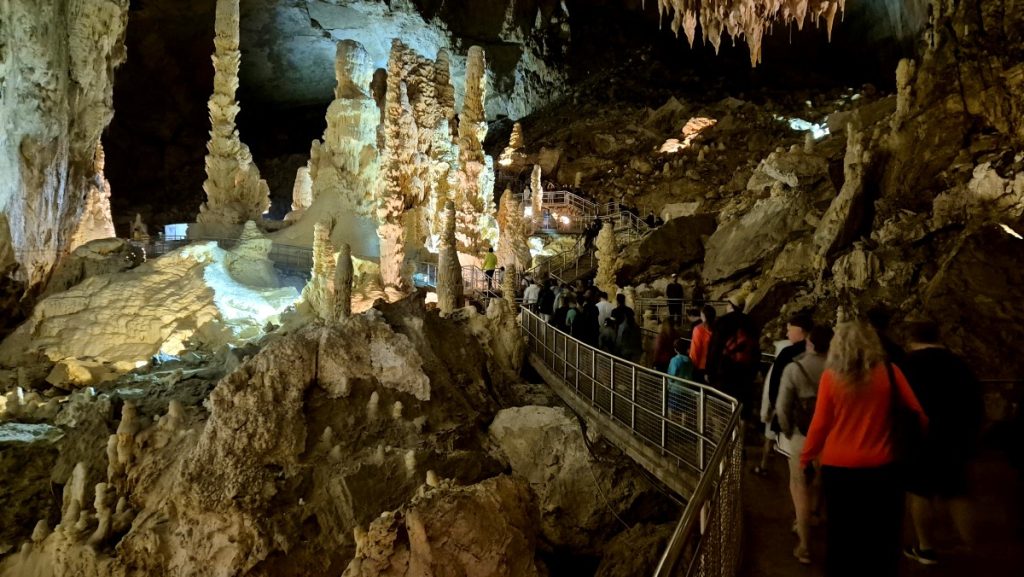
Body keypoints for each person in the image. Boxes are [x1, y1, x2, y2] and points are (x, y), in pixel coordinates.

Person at [800, 321, 928, 577]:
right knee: (882, 533)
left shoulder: (831, 377)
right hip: (884, 467)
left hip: (839, 468)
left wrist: (806, 456)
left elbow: (820, 424)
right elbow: (919, 416)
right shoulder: (890, 372)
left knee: (842, 533)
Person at [900, 321, 984, 565]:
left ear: (911, 338)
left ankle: (925, 547)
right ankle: (971, 546)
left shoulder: (907, 366)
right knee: (957, 491)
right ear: (938, 336)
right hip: (956, 437)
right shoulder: (959, 364)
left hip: (920, 438)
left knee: (920, 491)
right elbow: (975, 404)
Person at [776, 325, 833, 565]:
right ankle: (818, 515)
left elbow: (782, 407)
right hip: (831, 437)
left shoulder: (794, 368)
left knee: (799, 488)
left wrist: (788, 431)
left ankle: (805, 544)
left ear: (809, 343)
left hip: (802, 435)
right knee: (822, 483)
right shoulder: (838, 369)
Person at [755, 314, 815, 476]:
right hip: (820, 421)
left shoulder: (788, 353)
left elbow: (776, 386)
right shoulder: (826, 353)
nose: (787, 334)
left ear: (800, 331)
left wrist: (779, 416)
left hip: (796, 420)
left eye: (790, 330)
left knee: (797, 474)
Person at [706, 294, 761, 419]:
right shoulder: (751, 322)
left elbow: (715, 347)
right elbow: (756, 348)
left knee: (722, 409)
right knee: (742, 409)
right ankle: (741, 435)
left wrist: (709, 371)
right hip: (746, 372)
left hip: (725, 371)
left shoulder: (723, 321)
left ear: (730, 305)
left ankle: (725, 436)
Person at [689, 305, 716, 382]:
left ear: (703, 315)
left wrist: (692, 365)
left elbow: (695, 349)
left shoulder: (698, 329)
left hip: (701, 366)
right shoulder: (717, 328)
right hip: (714, 365)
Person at [612, 294, 642, 363]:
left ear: (617, 301)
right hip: (632, 342)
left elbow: (614, 326)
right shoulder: (629, 310)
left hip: (621, 340)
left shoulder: (615, 311)